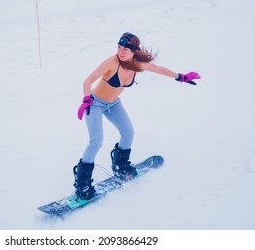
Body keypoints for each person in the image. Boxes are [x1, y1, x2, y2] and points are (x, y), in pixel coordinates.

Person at [73, 32, 201, 200]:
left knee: (128, 133)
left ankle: (121, 165)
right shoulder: (112, 62)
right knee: (96, 141)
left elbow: (159, 69)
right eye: (119, 47)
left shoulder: (138, 64)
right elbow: (88, 80)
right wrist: (86, 98)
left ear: (134, 51)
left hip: (113, 103)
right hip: (94, 103)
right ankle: (82, 182)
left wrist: (181, 77)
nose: (121, 52)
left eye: (125, 49)